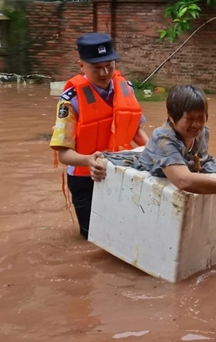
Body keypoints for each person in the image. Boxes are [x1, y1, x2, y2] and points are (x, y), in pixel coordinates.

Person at [50, 32, 149, 239]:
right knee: (94, 237)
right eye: (96, 68)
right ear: (81, 66)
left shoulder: (126, 88)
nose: (105, 72)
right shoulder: (71, 100)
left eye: (109, 66)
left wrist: (155, 153)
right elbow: (63, 154)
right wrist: (89, 160)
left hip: (121, 173)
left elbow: (136, 132)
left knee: (124, 233)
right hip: (84, 179)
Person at [138, 85, 216, 197]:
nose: (197, 124)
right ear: (171, 117)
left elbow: (200, 165)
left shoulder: (202, 132)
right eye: (190, 118)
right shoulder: (164, 140)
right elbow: (184, 181)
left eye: (201, 117)